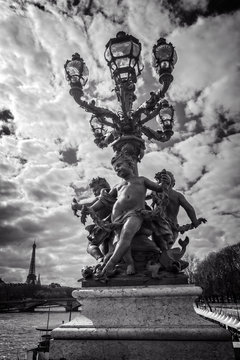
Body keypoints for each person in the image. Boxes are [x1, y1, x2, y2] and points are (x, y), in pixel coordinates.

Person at [88, 154, 170, 276]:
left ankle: (111, 263)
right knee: (121, 240)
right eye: (115, 168)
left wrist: (165, 183)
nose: (117, 169)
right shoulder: (118, 186)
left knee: (126, 235)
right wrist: (89, 209)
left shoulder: (142, 180)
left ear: (131, 165)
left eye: (119, 165)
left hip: (135, 213)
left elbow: (159, 188)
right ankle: (130, 263)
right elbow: (104, 201)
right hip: (117, 216)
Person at [151, 170, 199, 250]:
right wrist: (195, 221)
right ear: (173, 184)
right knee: (164, 251)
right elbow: (189, 208)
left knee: (157, 250)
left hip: (157, 227)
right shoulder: (177, 195)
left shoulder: (156, 193)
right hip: (172, 228)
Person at [71, 177, 115, 262]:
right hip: (109, 224)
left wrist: (75, 205)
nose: (94, 193)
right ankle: (105, 261)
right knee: (106, 248)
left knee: (91, 246)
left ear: (102, 186)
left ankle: (100, 259)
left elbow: (89, 205)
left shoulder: (104, 194)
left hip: (105, 225)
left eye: (95, 190)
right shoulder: (112, 194)